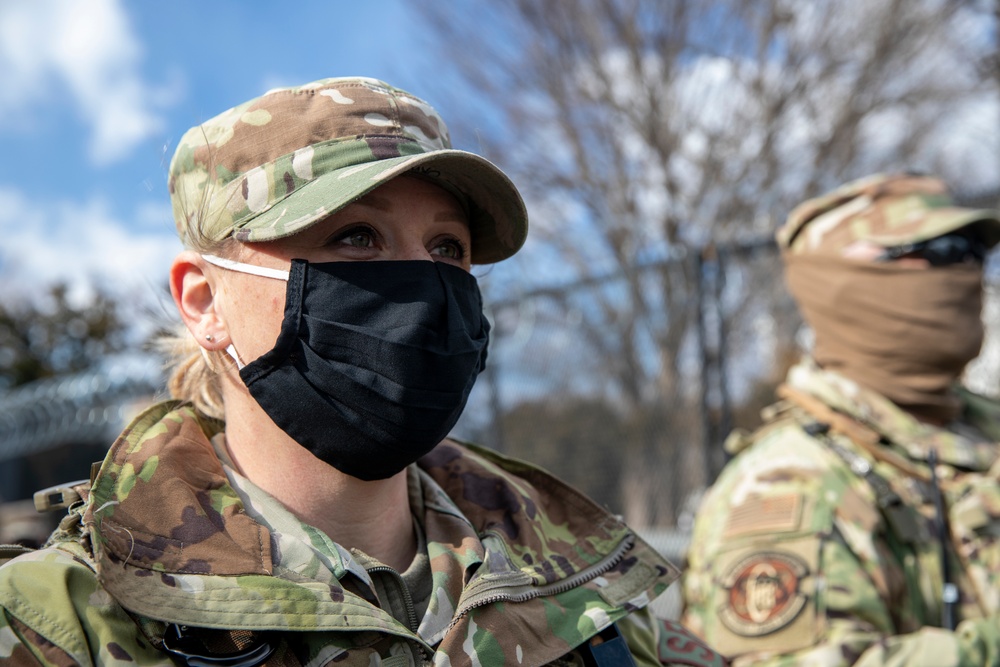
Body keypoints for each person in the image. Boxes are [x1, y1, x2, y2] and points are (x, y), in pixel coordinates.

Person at [0, 77, 726, 667]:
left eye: (447, 248)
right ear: (205, 300)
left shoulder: (582, 590)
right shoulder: (65, 623)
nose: (421, 289)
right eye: (356, 236)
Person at [680, 172, 1000, 666]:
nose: (965, 272)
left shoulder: (978, 436)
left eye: (973, 252)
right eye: (936, 253)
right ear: (844, 285)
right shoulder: (790, 482)